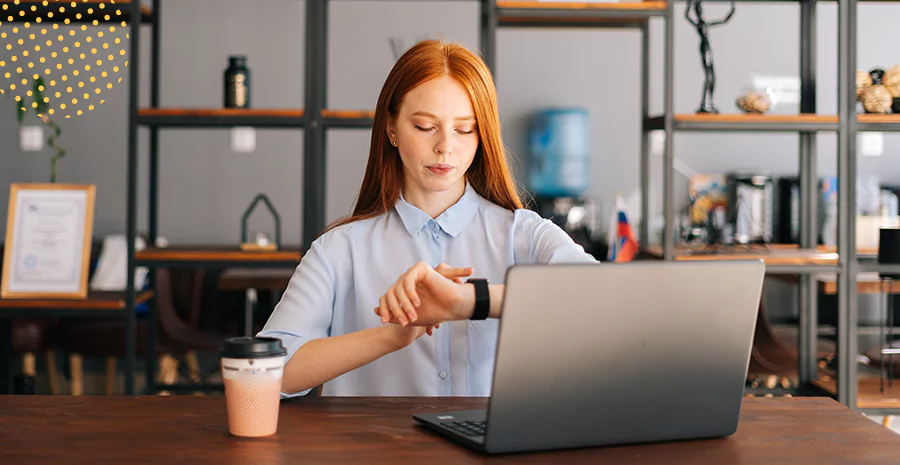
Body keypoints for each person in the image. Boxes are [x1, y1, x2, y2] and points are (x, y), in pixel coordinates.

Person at [258, 39, 598, 398]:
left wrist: (468, 301)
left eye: (464, 129)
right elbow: (267, 376)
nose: (445, 147)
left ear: (483, 136)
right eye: (424, 127)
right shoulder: (339, 249)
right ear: (391, 128)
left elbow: (601, 300)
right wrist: (392, 334)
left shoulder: (523, 234)